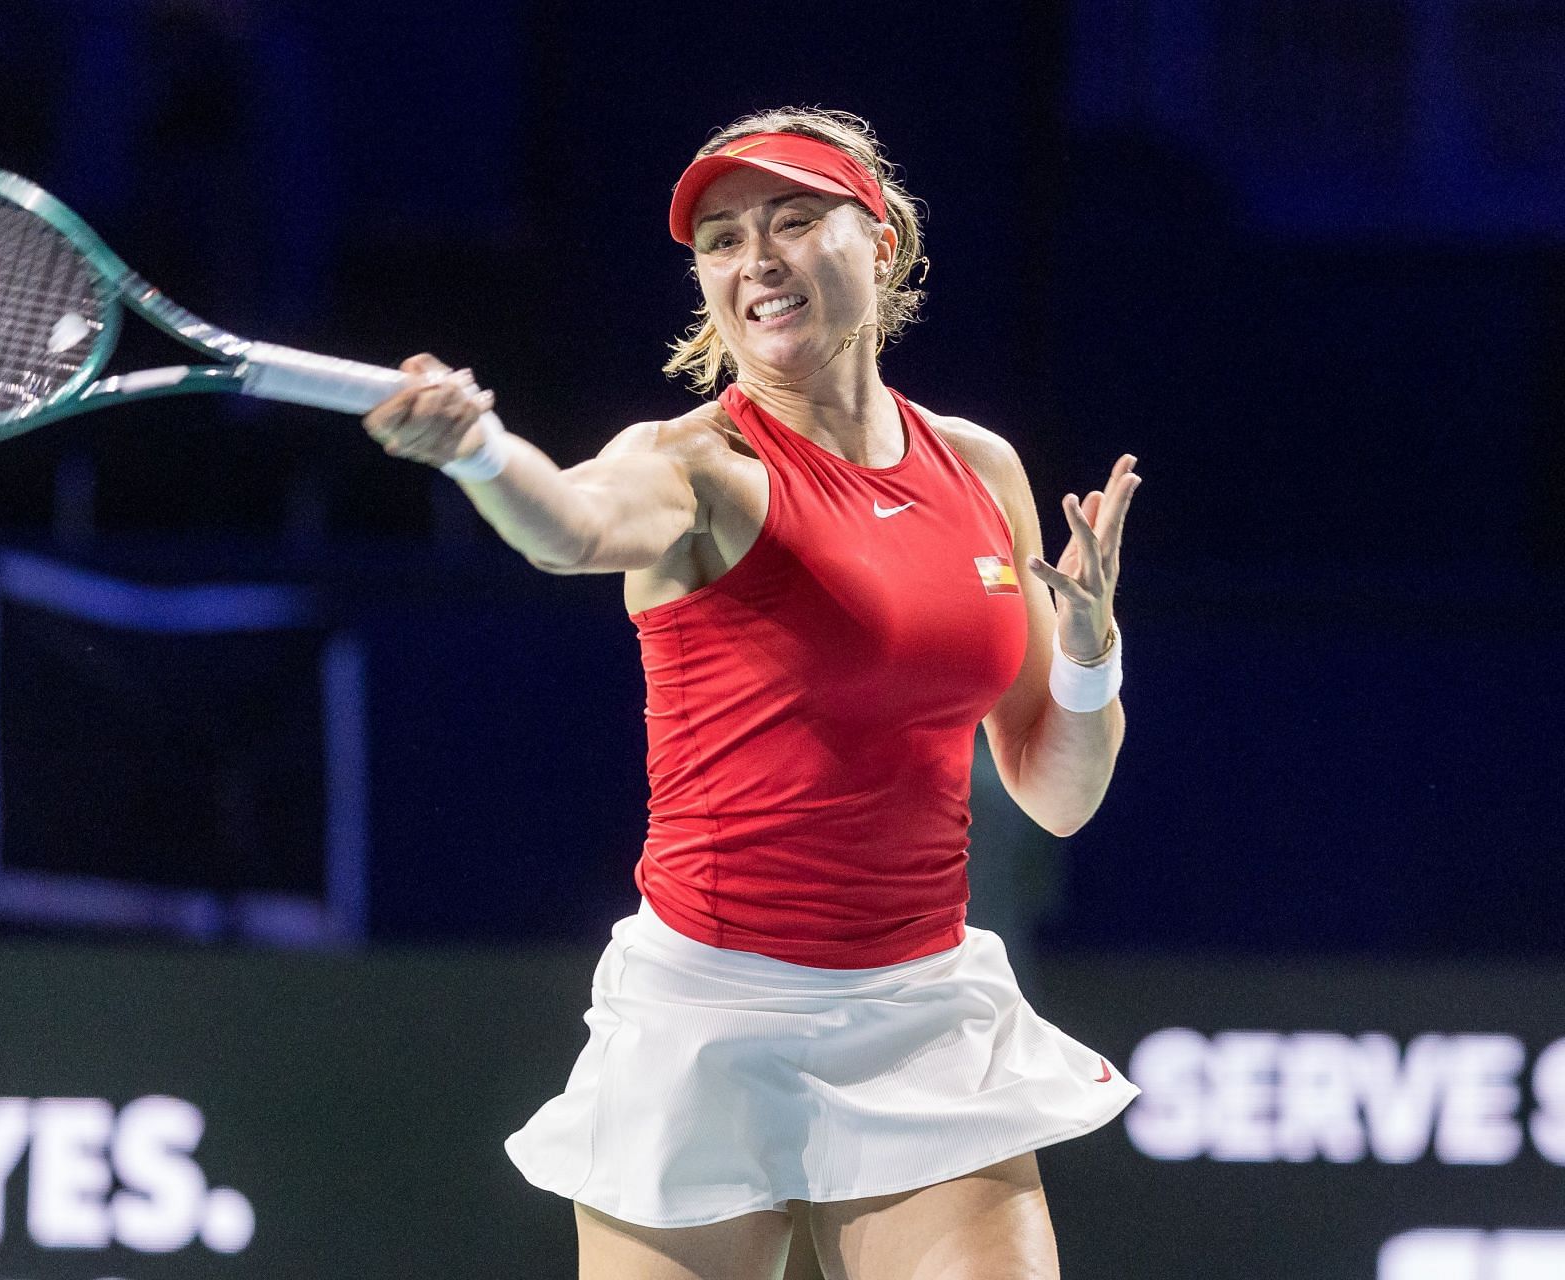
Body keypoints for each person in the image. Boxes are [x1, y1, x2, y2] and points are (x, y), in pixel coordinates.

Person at [361, 106, 1142, 1280]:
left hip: (923, 1009)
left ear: (879, 244)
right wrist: (480, 452)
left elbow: (1059, 792)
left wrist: (1090, 653)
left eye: (791, 220)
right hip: (708, 1015)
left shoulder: (980, 469)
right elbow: (570, 526)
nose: (755, 261)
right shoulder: (692, 468)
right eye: (722, 240)